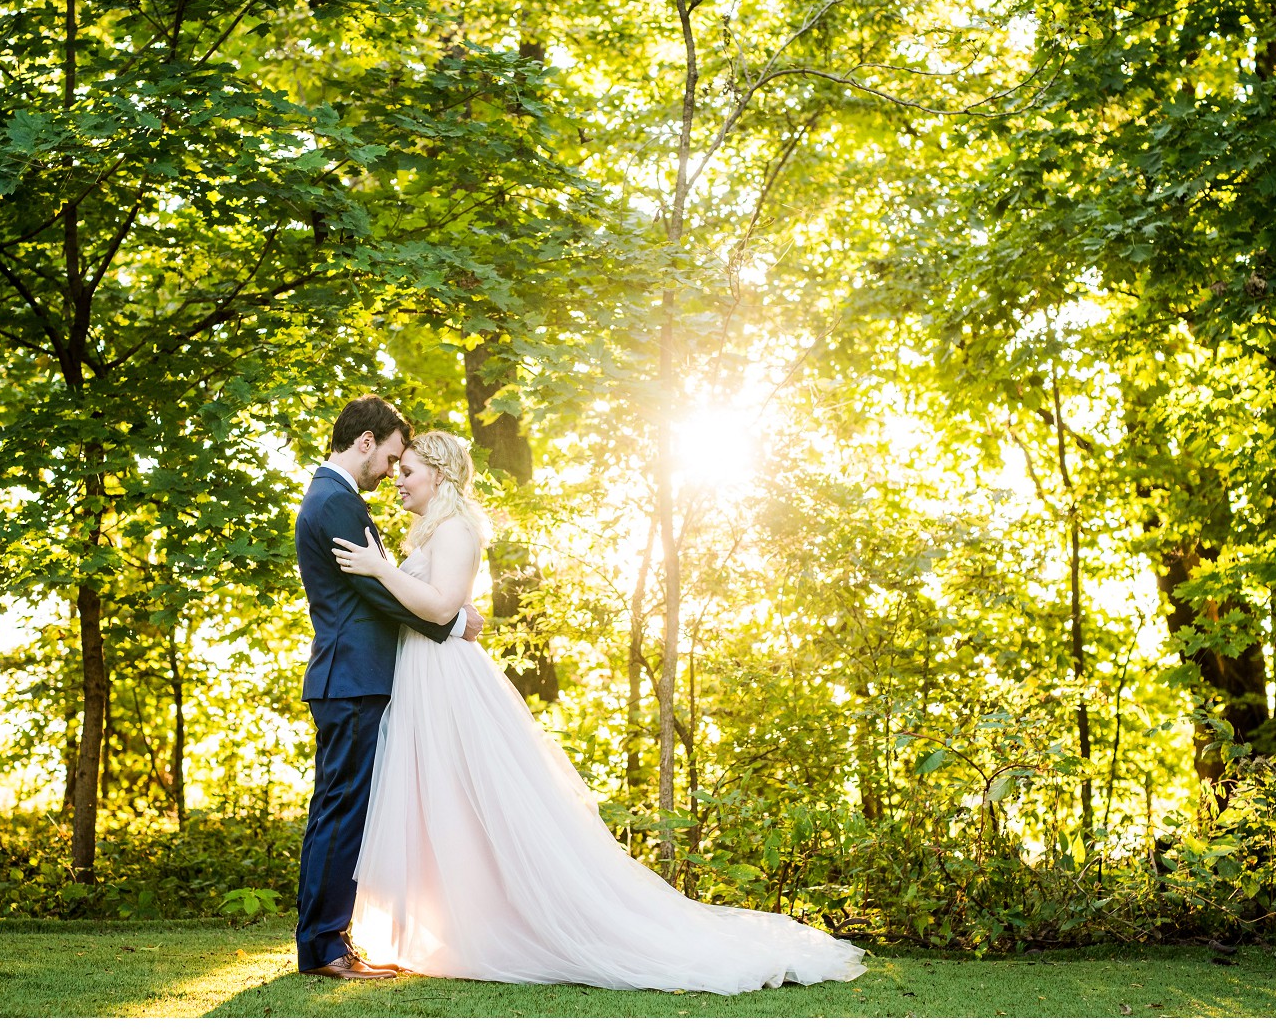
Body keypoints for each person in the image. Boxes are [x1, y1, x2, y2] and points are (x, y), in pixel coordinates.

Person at [330, 428, 867, 994]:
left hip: (448, 680)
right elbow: (440, 609)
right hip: (424, 675)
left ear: (438, 473)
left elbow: (441, 606)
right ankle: (454, 920)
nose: (397, 481)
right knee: (442, 797)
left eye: (408, 472)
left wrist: (381, 570)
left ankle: (511, 922)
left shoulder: (459, 528)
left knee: (477, 793)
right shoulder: (430, 531)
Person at [293, 395, 484, 980]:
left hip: (356, 676)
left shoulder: (335, 499)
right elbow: (378, 591)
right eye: (393, 458)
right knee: (341, 809)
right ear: (367, 443)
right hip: (352, 677)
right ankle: (324, 946)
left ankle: (327, 939)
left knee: (341, 807)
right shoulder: (335, 503)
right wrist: (453, 622)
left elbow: (381, 582)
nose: (393, 473)